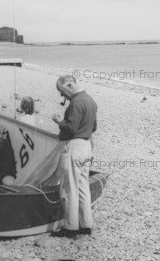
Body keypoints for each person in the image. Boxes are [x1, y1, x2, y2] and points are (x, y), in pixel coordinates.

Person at [51, 75, 97, 238]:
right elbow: (94, 126)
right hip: (86, 146)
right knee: (83, 186)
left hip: (74, 146)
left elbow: (70, 128)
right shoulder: (90, 100)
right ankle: (86, 224)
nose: (62, 96)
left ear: (69, 86)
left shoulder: (76, 102)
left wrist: (59, 121)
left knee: (70, 188)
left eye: (62, 91)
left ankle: (71, 227)